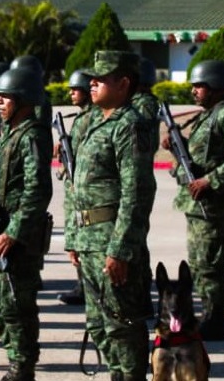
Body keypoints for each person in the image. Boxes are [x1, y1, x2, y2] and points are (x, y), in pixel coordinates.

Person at [66, 51, 156, 381]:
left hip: (111, 243)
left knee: (123, 327)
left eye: (101, 79)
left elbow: (137, 193)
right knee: (99, 325)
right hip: (89, 241)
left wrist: (120, 249)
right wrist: (74, 239)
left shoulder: (130, 126)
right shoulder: (98, 123)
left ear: (123, 84)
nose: (92, 83)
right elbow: (76, 186)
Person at [162, 60, 224, 341]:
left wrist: (210, 180)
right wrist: (176, 147)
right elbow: (198, 159)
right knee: (199, 264)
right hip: (198, 205)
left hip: (215, 203)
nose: (194, 91)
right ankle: (208, 314)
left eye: (199, 86)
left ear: (215, 86)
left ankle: (215, 319)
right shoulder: (206, 115)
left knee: (212, 264)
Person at [0, 67, 53, 381]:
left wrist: (15, 231)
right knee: (0, 304)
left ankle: (23, 365)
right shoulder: (9, 133)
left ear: (23, 100)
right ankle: (15, 357)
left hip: (18, 239)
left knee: (18, 303)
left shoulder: (33, 135)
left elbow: (37, 190)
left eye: (5, 97)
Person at [55, 69, 96, 306]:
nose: (71, 93)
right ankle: (82, 284)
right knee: (76, 240)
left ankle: (86, 286)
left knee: (83, 239)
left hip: (84, 190)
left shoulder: (91, 118)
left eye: (76, 89)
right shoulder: (81, 118)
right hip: (74, 186)